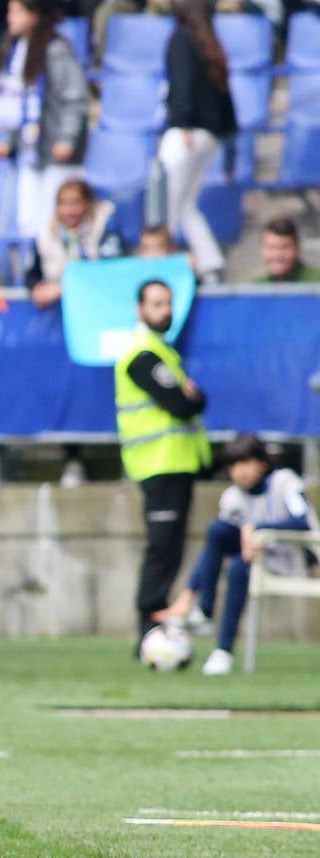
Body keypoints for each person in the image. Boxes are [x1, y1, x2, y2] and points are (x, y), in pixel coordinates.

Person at [155, 433, 316, 676]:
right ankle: (212, 628)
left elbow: (302, 520)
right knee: (222, 539)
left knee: (239, 561)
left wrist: (258, 529)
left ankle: (209, 625)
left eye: (245, 462)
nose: (239, 471)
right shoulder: (232, 497)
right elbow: (214, 546)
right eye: (233, 465)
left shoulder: (285, 481)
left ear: (262, 463)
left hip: (293, 557)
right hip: (255, 559)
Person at [115, 278, 210, 650]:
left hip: (175, 463)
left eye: (167, 303)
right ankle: (147, 630)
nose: (164, 311)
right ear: (140, 309)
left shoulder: (162, 351)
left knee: (170, 549)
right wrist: (189, 394)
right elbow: (184, 403)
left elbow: (193, 400)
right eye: (156, 304)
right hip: (159, 463)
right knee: (162, 548)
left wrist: (191, 396)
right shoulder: (143, 354)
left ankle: (155, 627)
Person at [0, 0, 90, 241]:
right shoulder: (16, 50)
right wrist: (11, 142)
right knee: (29, 221)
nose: (10, 17)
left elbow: (75, 97)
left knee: (54, 221)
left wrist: (67, 138)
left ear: (35, 14)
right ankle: (33, 272)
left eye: (17, 11)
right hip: (29, 151)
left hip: (55, 150)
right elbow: (17, 104)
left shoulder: (55, 49)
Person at [158, 0, 237, 283]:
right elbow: (228, 104)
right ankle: (210, 263)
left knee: (164, 204)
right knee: (186, 204)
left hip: (186, 134)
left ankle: (160, 268)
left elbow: (182, 82)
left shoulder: (182, 39)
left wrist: (182, 123)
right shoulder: (211, 44)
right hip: (210, 137)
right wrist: (229, 148)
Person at [27, 179, 122, 308]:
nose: (69, 211)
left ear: (88, 203)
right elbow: (32, 273)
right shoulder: (46, 233)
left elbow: (108, 272)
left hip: (98, 305)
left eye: (75, 203)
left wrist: (62, 290)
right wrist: (37, 288)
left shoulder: (104, 227)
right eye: (63, 204)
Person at [254, 215, 320, 284]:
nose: (277, 255)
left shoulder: (317, 280)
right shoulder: (256, 287)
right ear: (262, 249)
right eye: (271, 247)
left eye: (284, 247)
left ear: (297, 248)